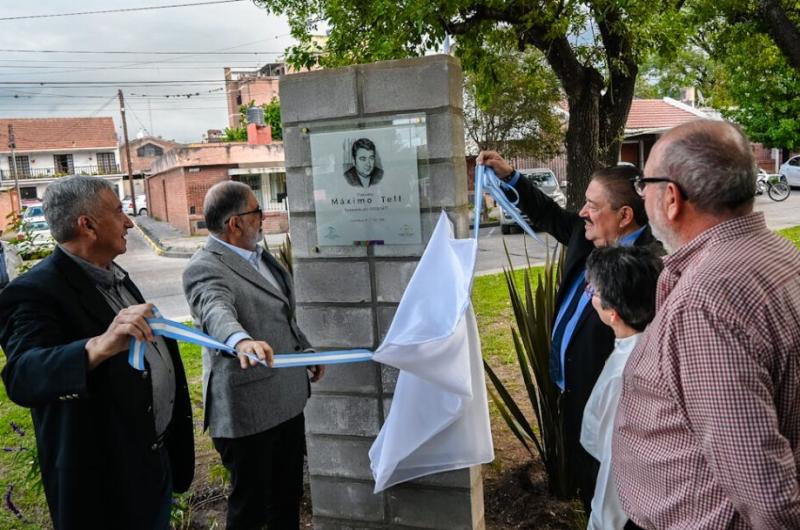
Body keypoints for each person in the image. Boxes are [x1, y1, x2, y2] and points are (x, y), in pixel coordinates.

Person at [613, 119, 800, 529]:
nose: (642, 197)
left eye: (645, 185)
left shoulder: (707, 301)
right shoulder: (781, 255)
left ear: (672, 199)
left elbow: (765, 491)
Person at [0, 176, 194, 530]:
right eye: (119, 211)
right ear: (87, 225)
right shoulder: (34, 291)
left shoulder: (114, 275)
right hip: (105, 486)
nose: (130, 222)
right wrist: (98, 346)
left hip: (154, 464)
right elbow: (23, 376)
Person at [478, 150, 664, 510]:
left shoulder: (650, 268)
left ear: (624, 216)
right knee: (589, 486)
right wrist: (509, 175)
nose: (582, 212)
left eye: (592, 205)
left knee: (611, 493)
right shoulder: (587, 234)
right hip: (573, 396)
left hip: (613, 411)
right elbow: (549, 214)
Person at [182, 180, 324, 530]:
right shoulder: (205, 267)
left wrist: (303, 350)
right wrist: (240, 340)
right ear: (235, 223)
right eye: (257, 211)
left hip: (287, 402)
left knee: (285, 500)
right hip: (248, 413)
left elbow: (280, 317)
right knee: (250, 511)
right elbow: (213, 308)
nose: (263, 217)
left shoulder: (259, 256)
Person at [581, 246, 662, 530]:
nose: (590, 295)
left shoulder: (625, 377)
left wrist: (600, 523)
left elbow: (615, 467)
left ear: (613, 313)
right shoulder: (655, 347)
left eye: (593, 292)